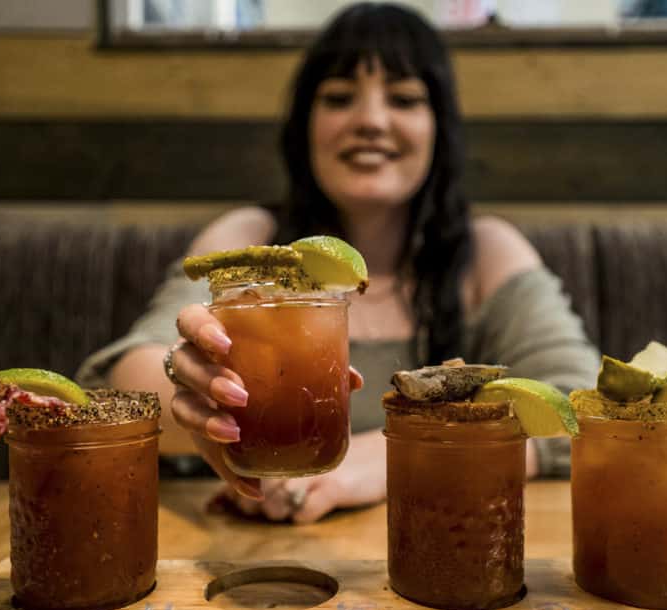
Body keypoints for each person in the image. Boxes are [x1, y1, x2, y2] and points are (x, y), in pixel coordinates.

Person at [77, 2, 599, 524]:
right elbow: (126, 385)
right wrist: (194, 396)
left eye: (404, 98)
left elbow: (582, 409)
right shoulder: (251, 244)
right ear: (306, 126)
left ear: (440, 129)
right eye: (339, 98)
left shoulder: (485, 254)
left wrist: (400, 454)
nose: (371, 121)